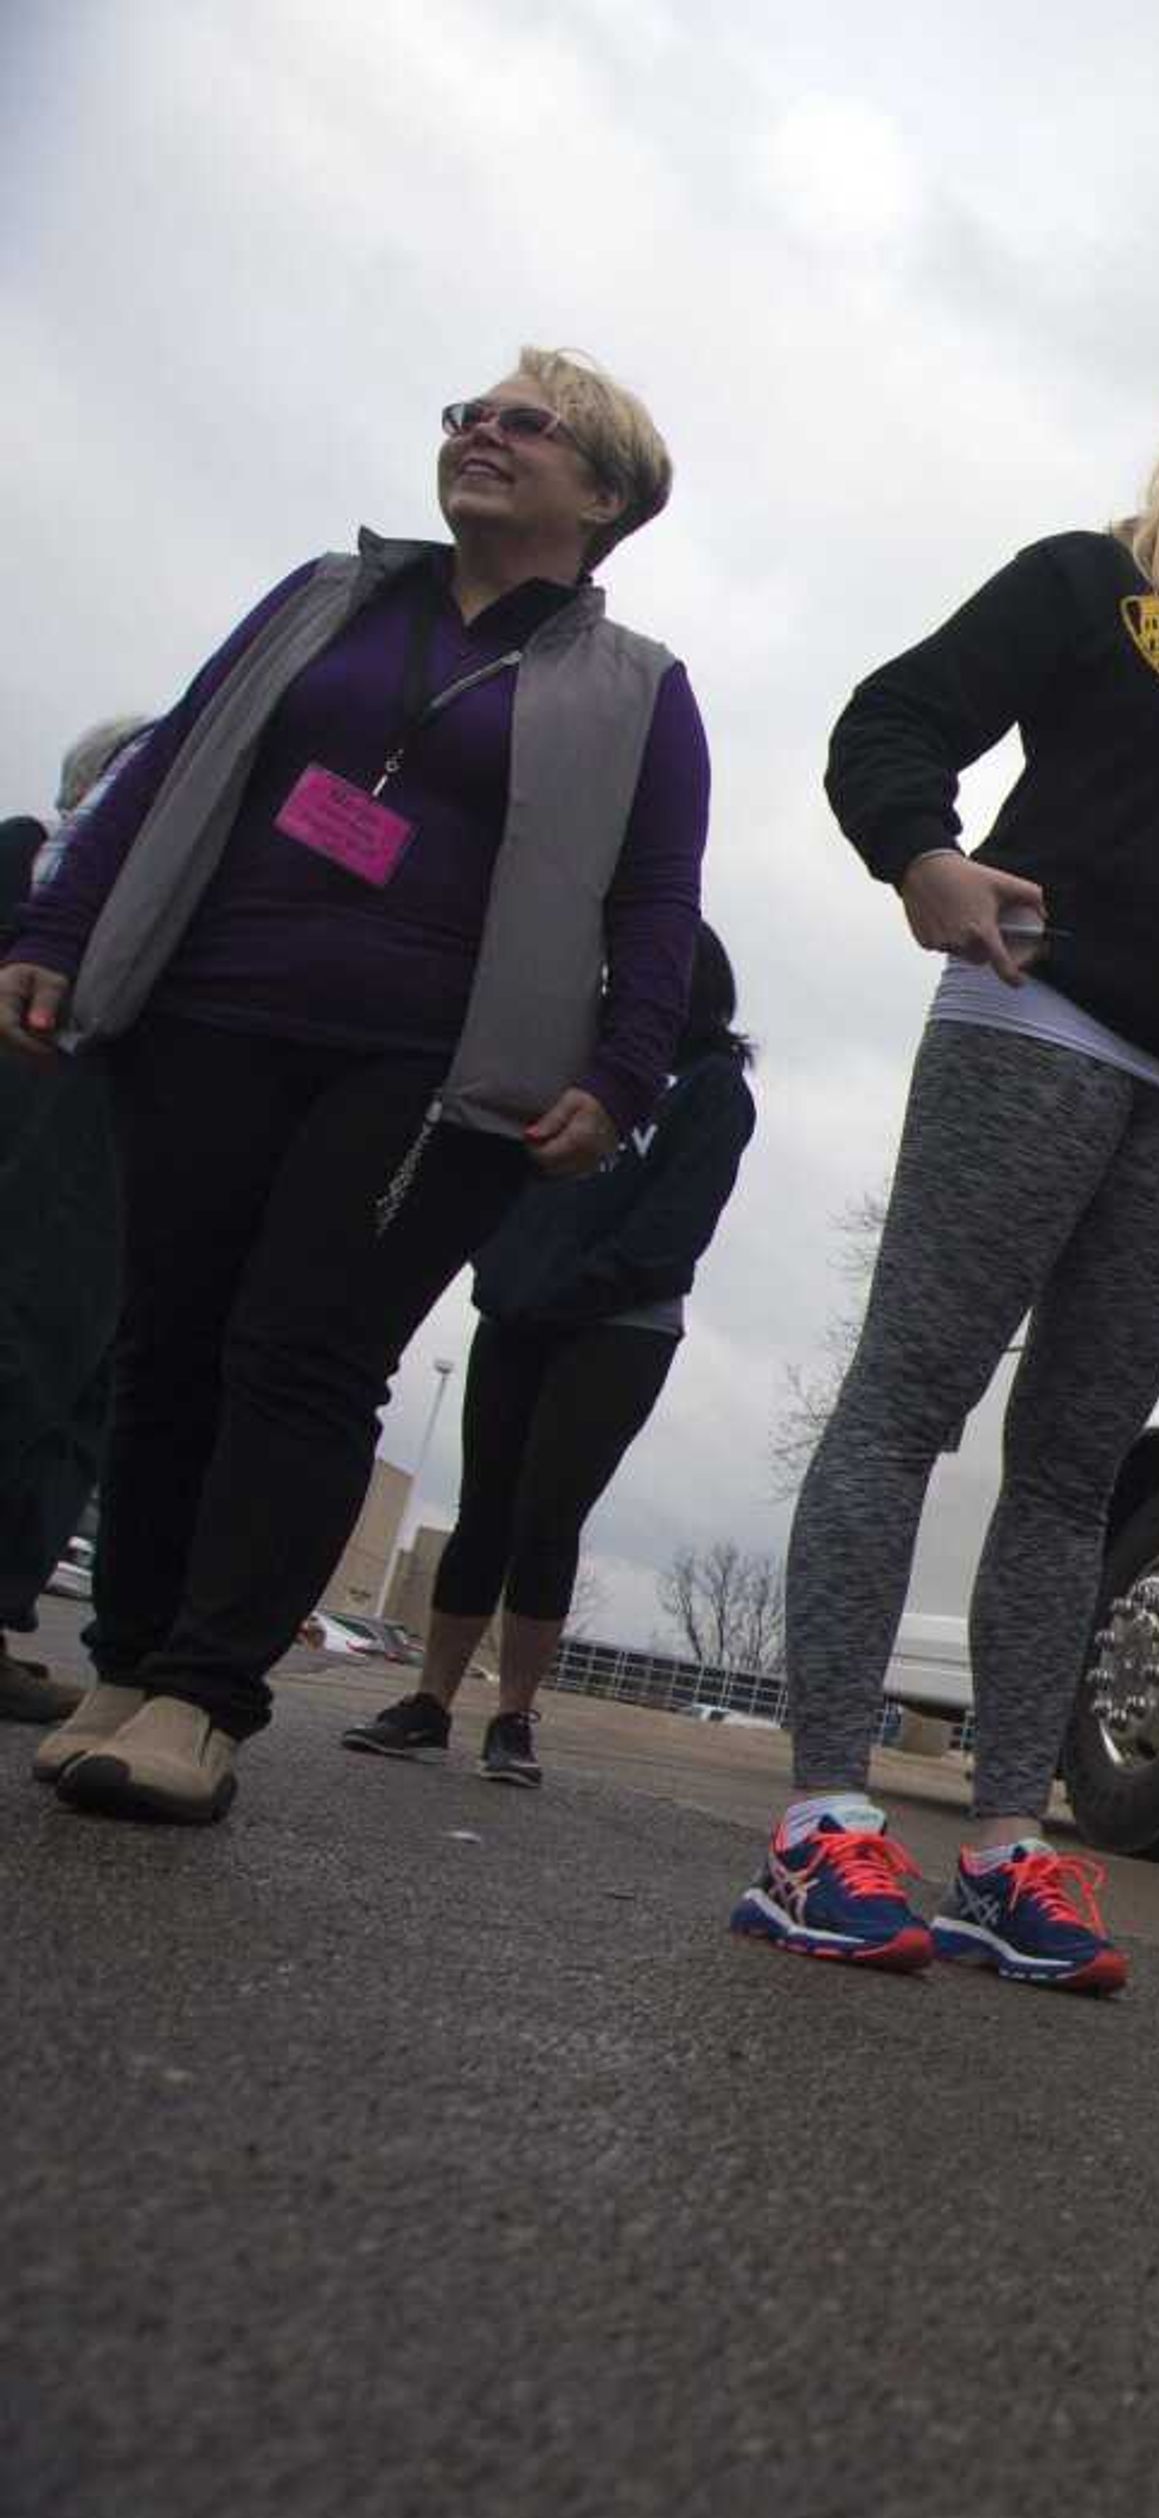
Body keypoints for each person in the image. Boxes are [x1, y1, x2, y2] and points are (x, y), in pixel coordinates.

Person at [740, 353, 1159, 1993]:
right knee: (909, 1396)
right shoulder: (1087, 583)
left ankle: (1008, 1841)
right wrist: (925, 856)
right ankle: (824, 1816)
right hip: (1037, 1030)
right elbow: (892, 719)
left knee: (1074, 1467)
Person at [6, 348, 705, 1825]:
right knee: (168, 1343)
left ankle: (206, 1698)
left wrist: (625, 1068)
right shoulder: (328, 596)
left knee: (303, 1354)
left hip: (433, 1069)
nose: (483, 436)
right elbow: (177, 756)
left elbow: (654, 903)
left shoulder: (637, 686)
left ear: (607, 495)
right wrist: (59, 929)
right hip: (207, 1009)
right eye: (471, 414)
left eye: (530, 426)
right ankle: (125, 1666)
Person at [340, 922, 756, 1785]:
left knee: (545, 1516)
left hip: (621, 1328)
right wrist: (501, 1268)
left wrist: (572, 1287)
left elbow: (675, 1227)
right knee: (484, 1508)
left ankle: (514, 1716)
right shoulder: (577, 1065)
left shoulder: (713, 1090)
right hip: (517, 1309)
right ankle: (429, 1700)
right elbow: (506, 1172)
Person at [0, 716, 149, 1726]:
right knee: (28, 1343)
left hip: (114, 1111)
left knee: (77, 1383)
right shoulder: (30, 865)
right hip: (46, 1099)